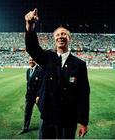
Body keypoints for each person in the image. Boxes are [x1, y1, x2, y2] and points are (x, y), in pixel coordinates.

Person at [24, 8, 90, 139]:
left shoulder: (80, 65)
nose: (60, 37)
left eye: (64, 34)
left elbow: (84, 94)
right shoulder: (47, 57)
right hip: (47, 116)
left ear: (69, 38)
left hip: (68, 119)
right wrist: (30, 26)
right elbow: (32, 48)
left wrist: (83, 122)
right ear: (54, 39)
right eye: (57, 35)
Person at [19, 57, 43, 134]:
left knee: (43, 111)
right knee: (27, 112)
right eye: (30, 60)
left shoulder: (40, 70)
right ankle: (25, 127)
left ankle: (45, 127)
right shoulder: (28, 71)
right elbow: (28, 83)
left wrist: (39, 95)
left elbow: (41, 84)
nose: (31, 61)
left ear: (35, 61)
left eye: (32, 60)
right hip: (29, 96)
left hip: (37, 96)